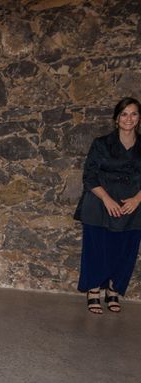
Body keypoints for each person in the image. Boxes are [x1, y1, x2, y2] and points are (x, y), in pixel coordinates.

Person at [74, 97, 141, 314]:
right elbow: (89, 176)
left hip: (132, 207)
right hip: (100, 204)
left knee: (124, 250)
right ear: (116, 118)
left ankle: (113, 289)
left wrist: (137, 199)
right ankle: (93, 290)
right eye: (124, 114)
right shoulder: (101, 144)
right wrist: (107, 199)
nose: (128, 118)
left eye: (133, 113)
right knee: (97, 250)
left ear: (139, 118)